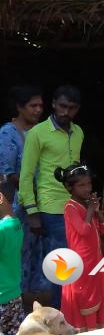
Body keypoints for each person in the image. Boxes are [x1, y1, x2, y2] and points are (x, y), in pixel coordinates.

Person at [18, 85, 84, 308]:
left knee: (76, 258)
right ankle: (60, 311)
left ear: (77, 109)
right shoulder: (38, 133)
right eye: (62, 106)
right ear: (54, 104)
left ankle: (69, 310)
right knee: (62, 262)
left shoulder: (79, 132)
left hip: (75, 206)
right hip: (51, 207)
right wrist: (32, 211)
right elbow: (26, 174)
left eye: (71, 108)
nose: (66, 112)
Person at [0, 85, 49, 295]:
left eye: (40, 105)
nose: (38, 110)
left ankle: (23, 298)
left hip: (39, 201)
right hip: (16, 202)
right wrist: (31, 196)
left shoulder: (42, 132)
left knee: (33, 249)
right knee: (14, 250)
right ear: (19, 107)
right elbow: (8, 172)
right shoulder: (8, 133)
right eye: (32, 105)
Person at [56, 163, 104, 329]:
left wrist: (97, 211)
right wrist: (90, 210)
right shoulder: (70, 207)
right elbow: (83, 230)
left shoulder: (88, 205)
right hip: (81, 264)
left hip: (95, 261)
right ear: (69, 187)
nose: (87, 188)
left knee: (99, 298)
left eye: (89, 184)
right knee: (86, 300)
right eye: (81, 185)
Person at [0, 180, 24, 335]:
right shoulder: (16, 225)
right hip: (13, 290)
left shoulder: (2, 230)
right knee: (13, 334)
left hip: (1, 292)